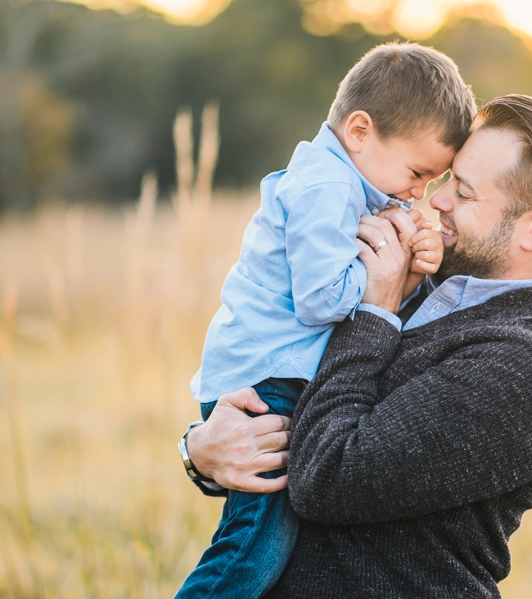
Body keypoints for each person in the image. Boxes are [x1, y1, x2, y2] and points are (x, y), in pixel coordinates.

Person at [182, 93, 532, 598]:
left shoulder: (529, 366)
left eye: (464, 191)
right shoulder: (417, 277)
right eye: (448, 177)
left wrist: (372, 314)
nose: (437, 199)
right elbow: (290, 390)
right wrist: (200, 451)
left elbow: (326, 479)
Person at [175, 42, 476, 599]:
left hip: (273, 373)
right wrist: (394, 278)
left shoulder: (350, 182)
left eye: (433, 181)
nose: (421, 194)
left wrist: (412, 255)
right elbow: (321, 298)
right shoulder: (327, 189)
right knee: (251, 552)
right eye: (417, 173)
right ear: (359, 130)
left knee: (262, 546)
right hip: (267, 383)